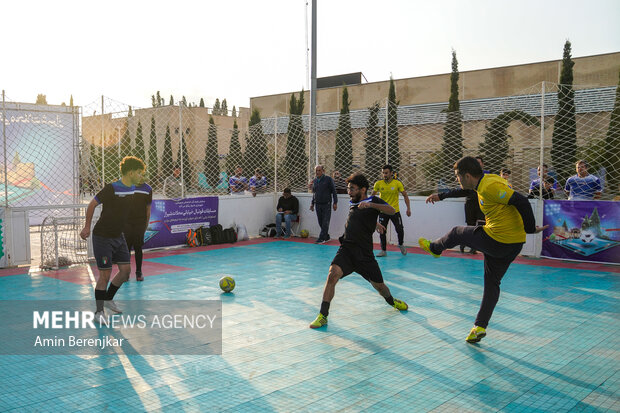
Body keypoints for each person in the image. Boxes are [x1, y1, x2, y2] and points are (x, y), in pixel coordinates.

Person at [420, 156, 547, 343]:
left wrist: (529, 228)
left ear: (468, 175)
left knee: (457, 232)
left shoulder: (489, 187)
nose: (457, 179)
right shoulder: (487, 181)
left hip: (498, 240)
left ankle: (435, 248)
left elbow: (521, 201)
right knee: (492, 283)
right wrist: (442, 196)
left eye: (457, 176)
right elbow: (465, 193)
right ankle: (479, 327)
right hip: (513, 244)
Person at [309, 173, 409, 329]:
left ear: (363, 189)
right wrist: (375, 223)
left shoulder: (372, 200)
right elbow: (359, 218)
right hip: (347, 249)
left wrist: (371, 205)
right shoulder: (354, 201)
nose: (349, 192)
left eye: (352, 189)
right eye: (348, 189)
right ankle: (323, 315)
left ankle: (392, 301)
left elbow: (391, 210)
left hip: (365, 255)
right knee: (332, 275)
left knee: (380, 287)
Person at [80, 156, 146, 323]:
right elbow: (92, 204)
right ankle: (99, 312)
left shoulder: (132, 188)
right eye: (139, 173)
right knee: (105, 275)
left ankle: (109, 298)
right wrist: (87, 227)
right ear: (130, 172)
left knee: (125, 272)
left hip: (119, 236)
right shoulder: (112, 188)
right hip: (102, 236)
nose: (141, 176)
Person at [372, 164, 411, 256]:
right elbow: (372, 197)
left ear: (391, 173)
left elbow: (405, 195)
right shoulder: (378, 183)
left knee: (399, 229)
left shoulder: (397, 183)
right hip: (383, 211)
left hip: (394, 211)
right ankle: (383, 250)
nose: (384, 175)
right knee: (382, 230)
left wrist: (408, 208)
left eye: (386, 173)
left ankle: (401, 244)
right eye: (383, 173)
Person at [124, 176, 152, 282]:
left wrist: (145, 225)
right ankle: (125, 273)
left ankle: (138, 272)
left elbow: (148, 210)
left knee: (138, 248)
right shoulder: (127, 186)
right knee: (126, 248)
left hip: (139, 223)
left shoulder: (148, 189)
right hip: (127, 223)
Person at [310, 165, 338, 243]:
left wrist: (335, 202)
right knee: (321, 222)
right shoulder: (315, 181)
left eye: (319, 170)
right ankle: (326, 237)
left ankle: (321, 238)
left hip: (327, 204)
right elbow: (314, 193)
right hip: (317, 204)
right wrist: (312, 203)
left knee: (325, 221)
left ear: (323, 171)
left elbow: (334, 191)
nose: (318, 172)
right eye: (316, 171)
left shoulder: (328, 179)